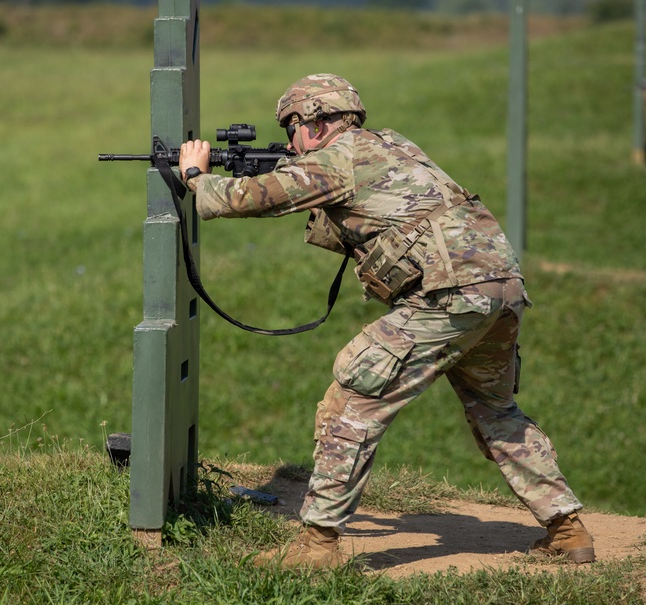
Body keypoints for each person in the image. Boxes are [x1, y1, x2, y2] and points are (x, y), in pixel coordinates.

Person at [177, 73, 595, 568]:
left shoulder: (338, 157)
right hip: (498, 289)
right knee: (494, 411)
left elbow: (240, 199)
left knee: (351, 401)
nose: (291, 142)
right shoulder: (391, 146)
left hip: (447, 295)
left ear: (315, 121)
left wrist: (195, 175)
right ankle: (567, 530)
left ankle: (317, 547)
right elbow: (374, 216)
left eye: (292, 129)